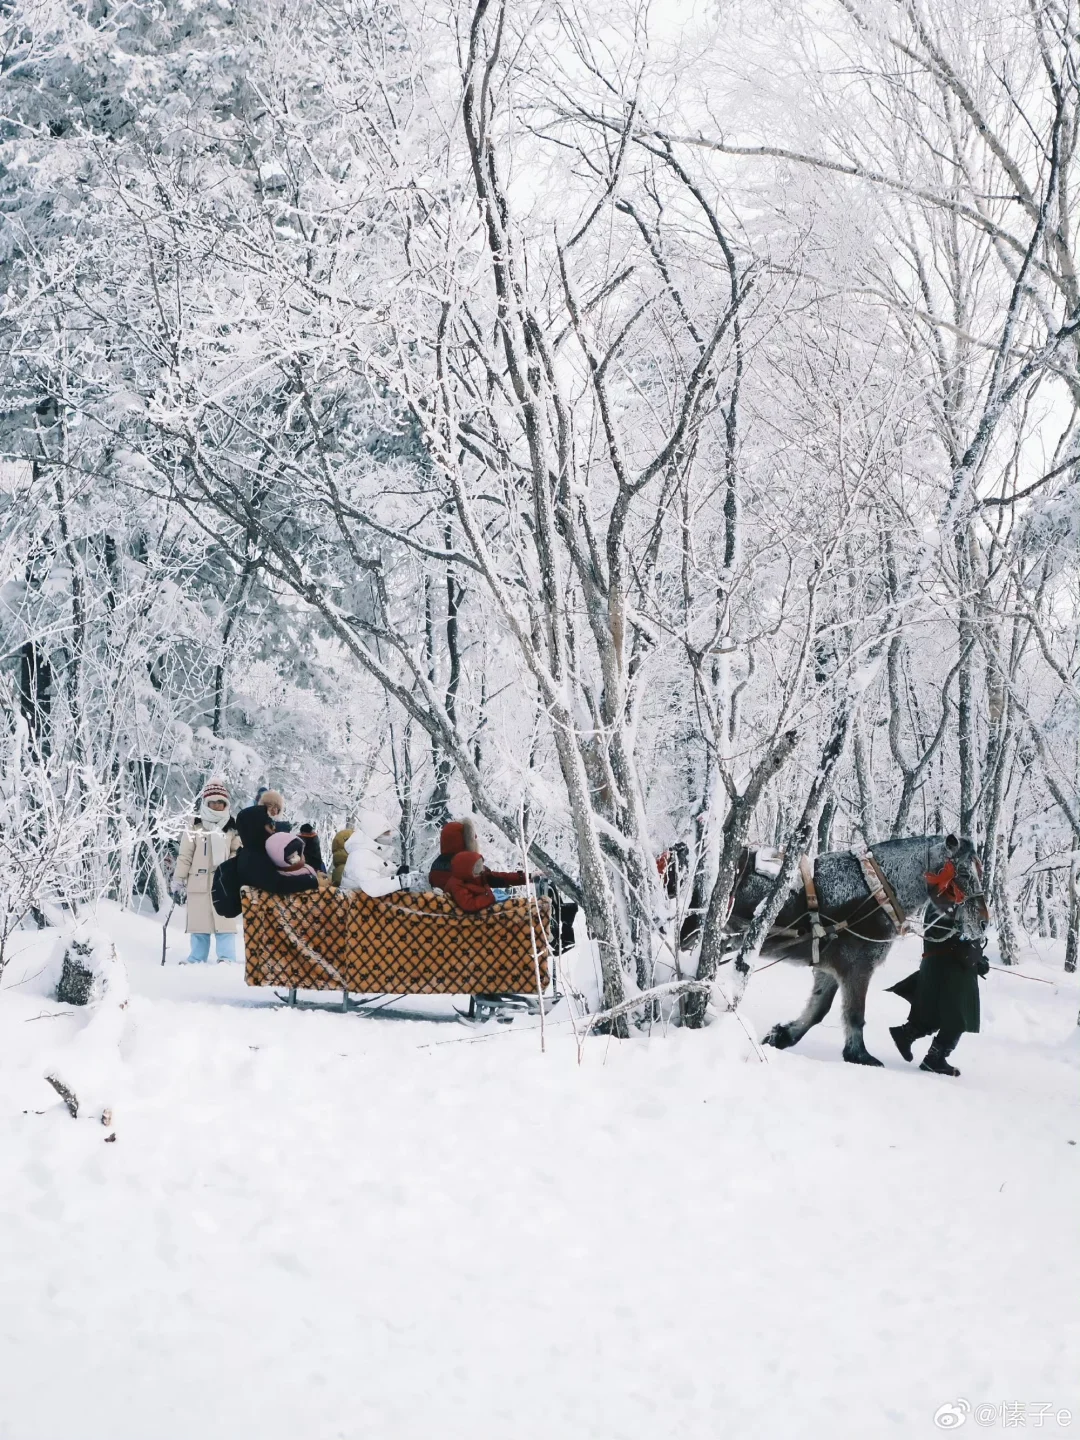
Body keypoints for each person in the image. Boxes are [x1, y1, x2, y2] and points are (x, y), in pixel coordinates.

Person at [887, 879, 989, 1077]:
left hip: (944, 965)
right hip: (952, 968)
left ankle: (906, 1035)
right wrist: (975, 959)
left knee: (935, 1010)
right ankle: (934, 1058)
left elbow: (965, 933)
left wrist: (977, 957)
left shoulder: (941, 897)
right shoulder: (949, 899)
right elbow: (959, 934)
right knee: (957, 1017)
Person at [172, 778, 242, 963]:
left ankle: (227, 958)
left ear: (226, 803)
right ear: (206, 803)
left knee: (225, 921)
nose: (217, 805)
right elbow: (185, 855)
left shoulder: (232, 827)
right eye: (213, 802)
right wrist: (179, 878)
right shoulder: (195, 826)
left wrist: (232, 866)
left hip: (224, 882)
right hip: (199, 882)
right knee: (199, 924)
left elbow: (237, 850)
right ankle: (196, 958)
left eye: (221, 802)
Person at [234, 803, 319, 895]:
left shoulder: (258, 851)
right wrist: (313, 881)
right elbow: (278, 884)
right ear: (256, 827)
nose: (274, 828)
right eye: (270, 824)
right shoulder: (252, 857)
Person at [340, 811, 401, 897]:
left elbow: (383, 872)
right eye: (386, 833)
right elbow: (374, 887)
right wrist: (402, 881)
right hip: (355, 908)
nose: (390, 835)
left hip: (368, 906)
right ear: (374, 834)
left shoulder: (372, 854)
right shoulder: (360, 857)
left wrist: (399, 871)